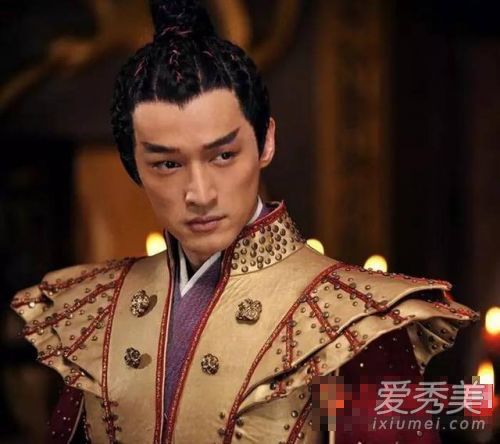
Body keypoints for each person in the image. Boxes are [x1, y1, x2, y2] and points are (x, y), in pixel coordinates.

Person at [11, 1, 479, 443]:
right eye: (167, 164)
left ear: (266, 141)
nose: (200, 194)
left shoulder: (353, 321)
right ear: (134, 165)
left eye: (223, 155)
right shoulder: (98, 312)